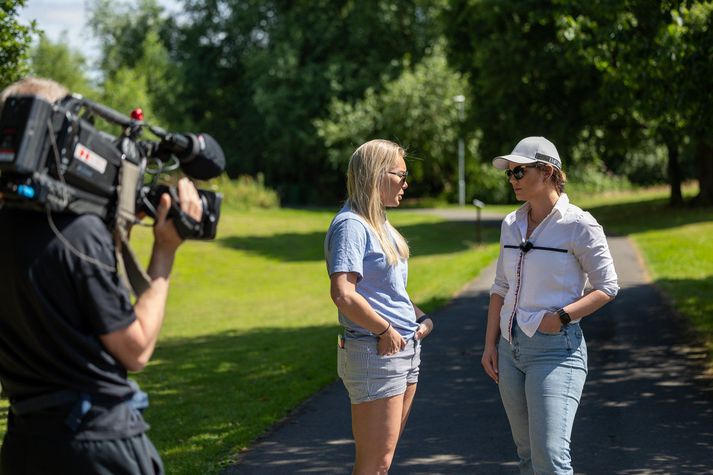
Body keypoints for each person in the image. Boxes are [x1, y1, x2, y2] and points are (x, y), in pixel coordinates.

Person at [0, 77, 203, 474]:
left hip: (24, 444)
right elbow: (136, 348)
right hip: (96, 445)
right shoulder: (77, 232)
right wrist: (164, 252)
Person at [481, 136, 619, 475]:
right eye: (509, 174)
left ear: (546, 172)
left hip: (557, 351)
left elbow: (608, 287)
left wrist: (562, 317)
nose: (512, 180)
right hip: (510, 348)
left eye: (519, 172)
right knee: (527, 453)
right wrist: (489, 344)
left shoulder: (579, 225)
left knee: (550, 455)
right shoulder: (511, 224)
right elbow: (500, 287)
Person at [324, 139, 434, 474]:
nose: (406, 183)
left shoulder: (378, 223)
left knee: (382, 464)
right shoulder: (351, 225)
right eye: (400, 174)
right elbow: (343, 293)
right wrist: (386, 330)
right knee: (373, 465)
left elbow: (389, 291)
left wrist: (421, 319)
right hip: (377, 352)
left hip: (402, 348)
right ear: (376, 175)